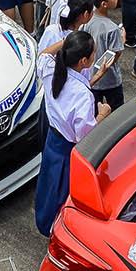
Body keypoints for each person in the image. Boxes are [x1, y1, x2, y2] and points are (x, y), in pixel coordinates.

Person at [34, 30, 111, 235]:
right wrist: (103, 114)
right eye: (93, 53)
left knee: (48, 186)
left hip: (52, 140)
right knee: (62, 194)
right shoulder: (83, 96)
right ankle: (58, 232)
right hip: (67, 151)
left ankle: (45, 221)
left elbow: (42, 56)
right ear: (84, 61)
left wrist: (65, 42)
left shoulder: (52, 70)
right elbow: (85, 135)